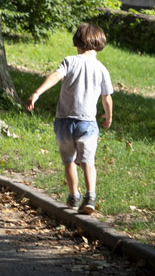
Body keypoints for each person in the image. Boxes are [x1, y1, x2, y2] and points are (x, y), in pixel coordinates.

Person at [24, 22, 114, 215]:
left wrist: (37, 93)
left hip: (64, 122)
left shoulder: (70, 61)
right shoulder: (102, 69)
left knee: (69, 161)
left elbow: (56, 77)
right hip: (87, 123)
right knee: (88, 161)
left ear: (77, 43)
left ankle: (74, 196)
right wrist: (108, 116)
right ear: (99, 44)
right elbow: (107, 97)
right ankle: (90, 195)